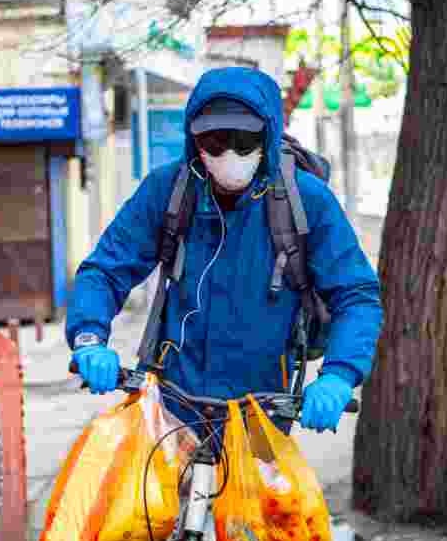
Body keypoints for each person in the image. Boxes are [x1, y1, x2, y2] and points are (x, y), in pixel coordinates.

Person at [67, 66, 383, 434]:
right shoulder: (167, 190)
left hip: (262, 413)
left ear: (267, 137)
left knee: (268, 477)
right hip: (171, 408)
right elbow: (106, 270)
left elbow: (356, 295)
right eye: (214, 141)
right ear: (194, 141)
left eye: (244, 140)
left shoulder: (307, 200)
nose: (229, 152)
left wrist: (338, 375)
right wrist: (89, 338)